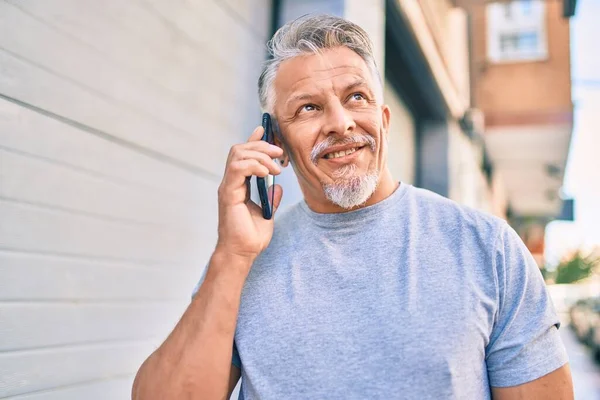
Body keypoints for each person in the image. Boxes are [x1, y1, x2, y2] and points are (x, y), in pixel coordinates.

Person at [132, 15, 573, 400]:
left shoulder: (487, 248)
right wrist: (232, 255)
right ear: (275, 142)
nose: (341, 123)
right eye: (309, 107)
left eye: (356, 97)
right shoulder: (241, 264)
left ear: (383, 118)